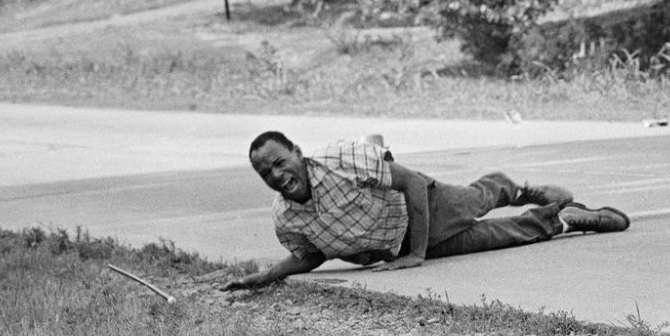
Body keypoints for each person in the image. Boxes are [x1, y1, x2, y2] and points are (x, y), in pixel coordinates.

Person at [220, 131, 630, 291]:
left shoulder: (337, 159)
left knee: (476, 202)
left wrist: (416, 255)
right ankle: (565, 218)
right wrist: (266, 276)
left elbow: (413, 183)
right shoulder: (286, 218)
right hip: (396, 248)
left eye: (279, 162)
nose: (276, 176)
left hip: (422, 206)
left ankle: (512, 188)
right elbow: (311, 255)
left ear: (297, 152)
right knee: (497, 237)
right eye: (265, 173)